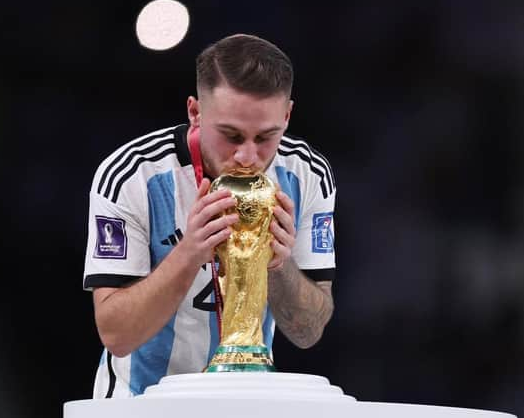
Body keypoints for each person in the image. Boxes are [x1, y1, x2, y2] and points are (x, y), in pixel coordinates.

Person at [83, 33, 337, 398]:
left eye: (266, 136)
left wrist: (280, 266)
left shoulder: (308, 175)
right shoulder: (131, 176)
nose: (248, 157)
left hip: (243, 402)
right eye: (231, 136)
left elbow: (308, 332)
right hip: (140, 404)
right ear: (195, 112)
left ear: (287, 116)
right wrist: (188, 254)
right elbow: (117, 336)